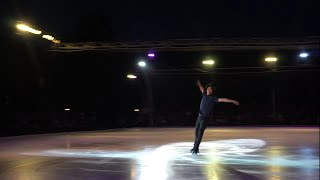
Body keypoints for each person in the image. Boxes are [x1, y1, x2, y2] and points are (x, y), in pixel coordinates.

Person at [191, 80, 240, 154]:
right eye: (208, 89)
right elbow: (201, 88)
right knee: (196, 132)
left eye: (210, 89)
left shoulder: (213, 98)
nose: (208, 90)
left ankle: (195, 148)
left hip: (205, 118)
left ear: (212, 91)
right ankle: (196, 147)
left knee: (200, 132)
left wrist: (233, 101)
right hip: (199, 117)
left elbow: (223, 99)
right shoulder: (204, 94)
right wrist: (199, 84)